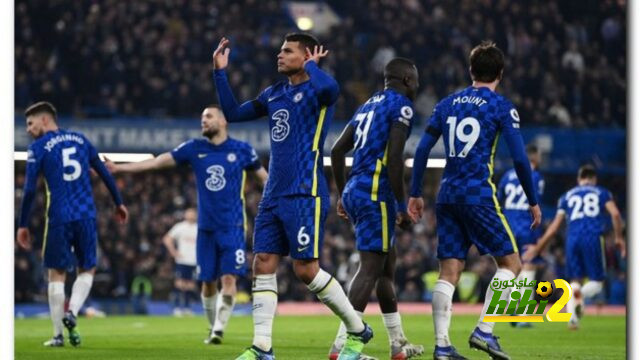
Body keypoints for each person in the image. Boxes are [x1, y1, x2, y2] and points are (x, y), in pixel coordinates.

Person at [213, 33, 372, 360]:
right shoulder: (274, 93)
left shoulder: (317, 89)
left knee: (306, 270)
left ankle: (358, 328)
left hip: (304, 190)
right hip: (274, 192)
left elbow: (332, 90)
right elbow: (231, 112)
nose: (279, 56)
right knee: (263, 263)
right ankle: (262, 347)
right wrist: (219, 72)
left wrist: (314, 68)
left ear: (306, 56)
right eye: (280, 51)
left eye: (287, 51)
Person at [407, 42, 542, 360]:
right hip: (478, 195)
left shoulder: (446, 104)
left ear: (470, 71)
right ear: (501, 73)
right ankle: (484, 331)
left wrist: (414, 193)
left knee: (449, 271)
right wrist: (532, 199)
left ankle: (442, 346)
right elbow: (521, 160)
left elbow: (422, 150)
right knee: (512, 264)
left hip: (446, 195)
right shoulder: (501, 106)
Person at [106, 105, 268, 344]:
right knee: (207, 284)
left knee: (229, 279)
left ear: (223, 121)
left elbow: (265, 179)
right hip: (205, 229)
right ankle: (213, 325)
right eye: (202, 118)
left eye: (209, 117)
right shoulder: (194, 148)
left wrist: (281, 205)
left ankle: (218, 330)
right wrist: (120, 168)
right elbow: (158, 162)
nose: (204, 121)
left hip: (232, 227)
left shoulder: (243, 150)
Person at [329, 57, 424, 360]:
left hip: (357, 189)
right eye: (416, 79)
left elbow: (336, 150)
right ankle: (343, 347)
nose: (417, 85)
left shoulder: (367, 106)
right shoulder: (402, 107)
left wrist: (344, 191)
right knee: (370, 268)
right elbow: (395, 158)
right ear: (407, 80)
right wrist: (400, 205)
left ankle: (398, 343)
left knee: (386, 268)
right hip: (375, 193)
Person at [16, 101, 128, 347]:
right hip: (86, 214)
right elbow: (104, 172)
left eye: (30, 123)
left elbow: (28, 190)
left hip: (59, 216)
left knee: (56, 274)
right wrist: (118, 202)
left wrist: (22, 224)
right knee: (87, 269)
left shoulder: (38, 147)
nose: (28, 129)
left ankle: (57, 335)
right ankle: (73, 312)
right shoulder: (81, 139)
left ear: (45, 120)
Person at [523, 164, 625, 330]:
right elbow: (615, 214)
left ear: (579, 179)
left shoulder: (566, 196)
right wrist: (619, 237)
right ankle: (581, 296)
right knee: (597, 282)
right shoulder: (602, 192)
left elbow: (554, 227)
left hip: (572, 238)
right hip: (592, 236)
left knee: (575, 281)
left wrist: (538, 248)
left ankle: (572, 320)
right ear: (594, 179)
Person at [496, 144, 545, 328]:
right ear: (534, 157)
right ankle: (524, 314)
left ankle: (508, 303)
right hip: (527, 226)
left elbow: (499, 198)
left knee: (509, 267)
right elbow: (536, 203)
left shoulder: (507, 176)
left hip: (508, 225)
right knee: (528, 269)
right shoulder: (537, 176)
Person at [163, 208, 198, 317]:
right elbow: (167, 239)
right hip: (182, 260)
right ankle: (177, 308)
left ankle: (187, 308)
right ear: (185, 215)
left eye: (193, 214)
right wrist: (173, 252)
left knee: (190, 285)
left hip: (194, 261)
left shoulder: (199, 228)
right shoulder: (180, 227)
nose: (191, 215)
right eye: (189, 213)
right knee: (180, 283)